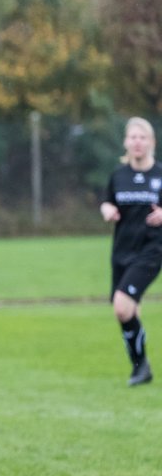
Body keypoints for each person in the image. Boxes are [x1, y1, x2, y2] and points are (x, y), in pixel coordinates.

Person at [99, 116, 162, 387]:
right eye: (133, 137)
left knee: (122, 307)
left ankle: (139, 367)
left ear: (151, 142)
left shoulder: (160, 174)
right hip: (121, 252)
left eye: (142, 137)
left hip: (151, 250)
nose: (137, 142)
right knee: (125, 311)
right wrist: (107, 210)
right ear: (126, 142)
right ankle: (141, 368)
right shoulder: (119, 175)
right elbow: (107, 202)